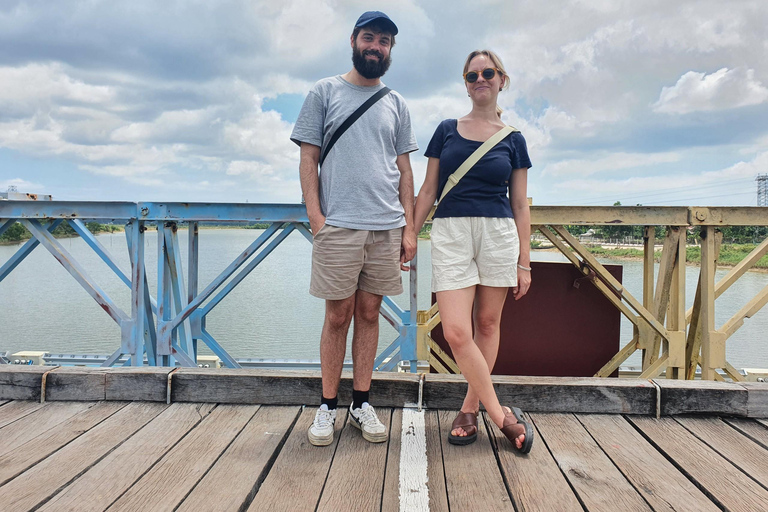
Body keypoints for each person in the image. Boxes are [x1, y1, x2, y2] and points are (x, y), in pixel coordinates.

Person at [290, 11, 418, 447]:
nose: (375, 46)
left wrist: (410, 226)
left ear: (389, 51)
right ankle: (326, 407)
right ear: (353, 40)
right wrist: (316, 218)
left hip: (385, 226)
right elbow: (308, 158)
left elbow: (404, 169)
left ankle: (361, 403)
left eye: (384, 41)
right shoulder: (325, 92)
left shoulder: (396, 103)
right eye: (370, 37)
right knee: (336, 316)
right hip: (339, 225)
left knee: (369, 315)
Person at [413, 50, 534, 452]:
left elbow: (520, 203)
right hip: (450, 231)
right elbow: (429, 189)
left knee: (487, 324)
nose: (479, 79)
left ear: (502, 79)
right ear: (465, 83)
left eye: (487, 72)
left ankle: (469, 408)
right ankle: (502, 416)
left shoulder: (513, 138)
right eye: (471, 75)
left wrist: (525, 262)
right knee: (455, 331)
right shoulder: (447, 129)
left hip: (499, 234)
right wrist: (411, 233)